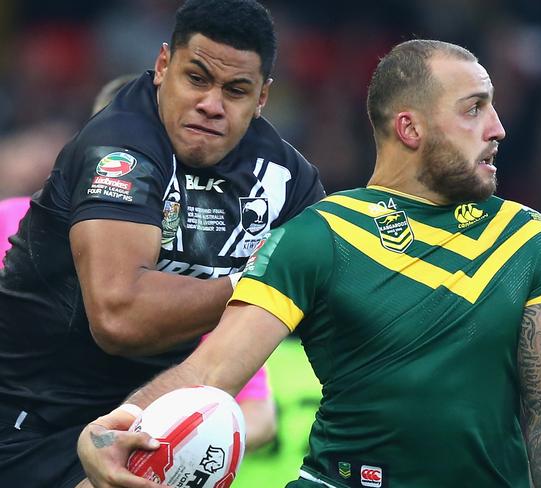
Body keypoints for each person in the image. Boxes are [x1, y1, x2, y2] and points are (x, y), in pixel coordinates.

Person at [77, 39, 541, 488]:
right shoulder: (319, 234)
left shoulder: (524, 235)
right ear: (410, 129)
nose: (498, 129)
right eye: (473, 108)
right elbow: (212, 369)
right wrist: (114, 431)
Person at [0, 0, 325, 485]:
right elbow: (119, 317)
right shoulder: (119, 146)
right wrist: (259, 283)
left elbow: (332, 290)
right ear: (163, 66)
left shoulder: (286, 178)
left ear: (262, 99)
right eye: (197, 78)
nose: (212, 104)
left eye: (236, 91)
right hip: (25, 420)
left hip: (139, 423)